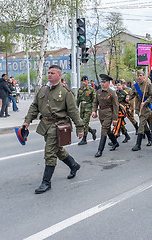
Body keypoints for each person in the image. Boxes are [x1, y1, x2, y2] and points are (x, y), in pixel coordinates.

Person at [23, 65, 84, 194]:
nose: (49, 75)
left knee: (49, 152)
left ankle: (46, 182)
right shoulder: (43, 90)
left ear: (59, 75)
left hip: (59, 126)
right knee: (58, 150)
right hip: (45, 125)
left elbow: (73, 111)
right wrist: (27, 121)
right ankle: (73, 165)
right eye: (48, 73)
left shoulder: (66, 92)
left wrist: (80, 127)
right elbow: (34, 107)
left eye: (52, 73)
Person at [92, 74, 119, 157]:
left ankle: (100, 150)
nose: (102, 84)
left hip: (109, 113)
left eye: (104, 82)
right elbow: (95, 102)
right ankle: (115, 143)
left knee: (104, 129)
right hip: (101, 113)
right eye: (101, 82)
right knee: (108, 130)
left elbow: (115, 106)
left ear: (108, 83)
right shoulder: (98, 92)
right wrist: (94, 111)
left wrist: (115, 118)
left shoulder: (112, 93)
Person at [129, 69, 152, 151]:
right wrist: (127, 98)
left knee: (141, 125)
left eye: (141, 75)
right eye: (138, 76)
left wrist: (146, 102)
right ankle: (150, 138)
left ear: (144, 76)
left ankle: (138, 144)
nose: (139, 77)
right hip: (139, 108)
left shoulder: (148, 85)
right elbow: (131, 95)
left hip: (146, 108)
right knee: (144, 124)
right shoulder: (135, 86)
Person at [76, 75, 97, 145]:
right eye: (83, 81)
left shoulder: (91, 89)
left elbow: (94, 100)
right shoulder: (80, 90)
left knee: (84, 123)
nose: (84, 82)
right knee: (82, 122)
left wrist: (94, 110)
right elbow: (78, 100)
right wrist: (76, 108)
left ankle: (84, 139)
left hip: (88, 107)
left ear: (88, 81)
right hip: (82, 108)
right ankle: (92, 131)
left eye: (85, 81)